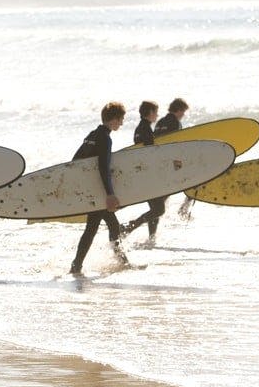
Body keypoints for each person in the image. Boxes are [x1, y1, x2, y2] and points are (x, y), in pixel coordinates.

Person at [69, 102, 129, 275]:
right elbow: (103, 167)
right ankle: (76, 266)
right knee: (93, 228)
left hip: (91, 189)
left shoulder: (93, 134)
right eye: (121, 119)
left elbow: (75, 162)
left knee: (111, 225)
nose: (122, 123)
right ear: (114, 119)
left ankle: (121, 261)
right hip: (99, 191)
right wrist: (109, 194)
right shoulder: (105, 138)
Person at [124, 97, 189, 240]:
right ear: (150, 112)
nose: (157, 115)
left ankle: (150, 237)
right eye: (155, 112)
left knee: (157, 208)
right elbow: (155, 152)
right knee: (159, 209)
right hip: (153, 174)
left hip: (145, 173)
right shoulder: (148, 128)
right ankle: (131, 227)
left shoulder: (146, 127)